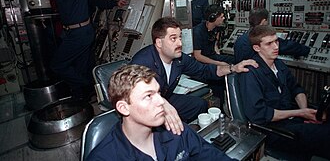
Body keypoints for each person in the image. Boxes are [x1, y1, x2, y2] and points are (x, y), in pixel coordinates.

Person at [130, 17, 258, 133]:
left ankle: (184, 131)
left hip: (166, 97)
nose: (180, 43)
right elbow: (135, 96)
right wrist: (162, 105)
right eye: (173, 38)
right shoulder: (141, 62)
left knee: (200, 104)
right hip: (144, 107)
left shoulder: (179, 59)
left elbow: (205, 70)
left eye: (180, 37)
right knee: (158, 126)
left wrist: (233, 67)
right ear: (159, 43)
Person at [87, 64, 236, 161]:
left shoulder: (176, 130)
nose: (161, 102)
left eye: (158, 93)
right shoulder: (104, 157)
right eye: (148, 96)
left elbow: (213, 156)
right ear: (124, 108)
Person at [238, 25, 330, 160]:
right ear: (257, 48)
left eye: (276, 41)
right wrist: (300, 113)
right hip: (274, 130)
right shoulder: (251, 73)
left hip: (292, 117)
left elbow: (296, 88)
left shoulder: (279, 64)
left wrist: (305, 112)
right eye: (269, 43)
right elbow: (259, 114)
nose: (276, 47)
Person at [27, 0, 97, 100]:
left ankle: (89, 84)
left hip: (81, 33)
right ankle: (82, 98)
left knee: (57, 65)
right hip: (71, 32)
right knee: (79, 68)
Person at [193, 5, 234, 112]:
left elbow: (214, 44)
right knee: (218, 79)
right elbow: (198, 56)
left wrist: (219, 54)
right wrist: (218, 62)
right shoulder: (198, 32)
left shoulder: (216, 29)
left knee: (233, 60)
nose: (223, 18)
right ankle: (218, 108)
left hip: (212, 55)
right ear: (212, 18)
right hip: (203, 60)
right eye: (221, 16)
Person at [233, 8, 310, 63]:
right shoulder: (263, 38)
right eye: (267, 21)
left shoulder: (240, 39)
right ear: (263, 21)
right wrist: (307, 50)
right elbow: (288, 46)